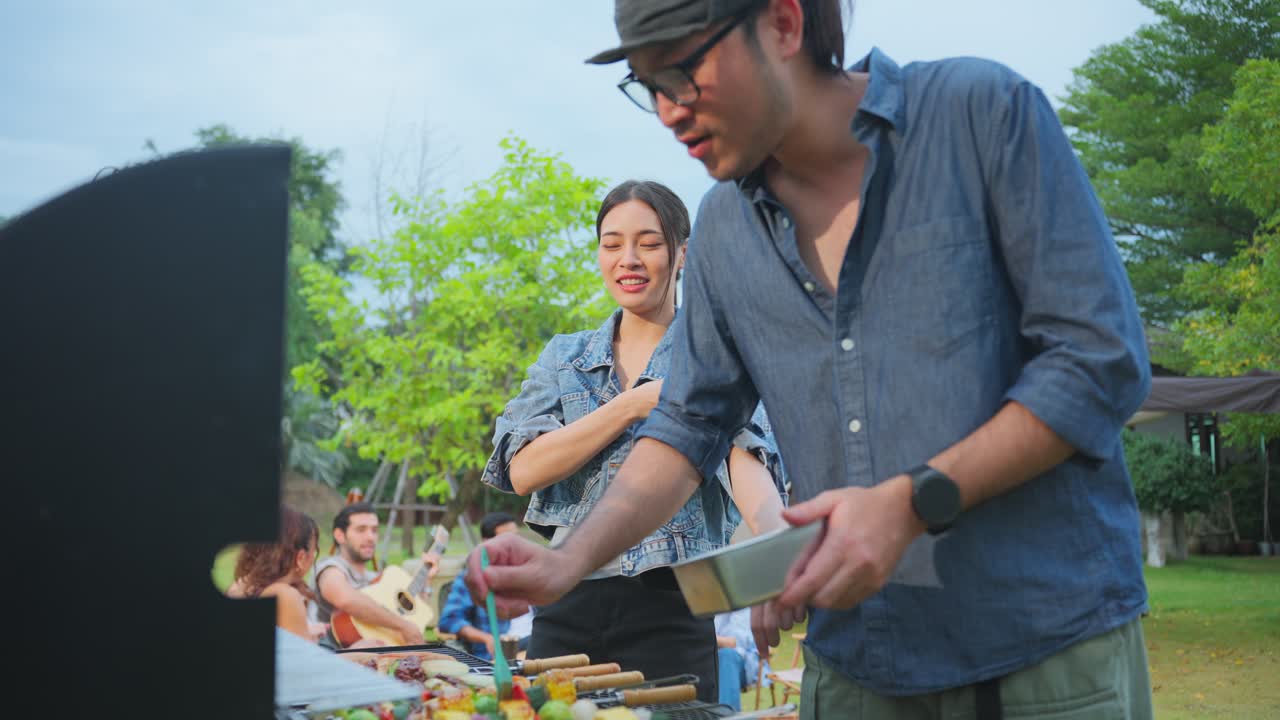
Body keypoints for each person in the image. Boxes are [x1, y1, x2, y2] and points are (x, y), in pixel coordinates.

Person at [469, 1, 1155, 718]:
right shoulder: (725, 227)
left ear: (784, 24)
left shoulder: (980, 114)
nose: (669, 111)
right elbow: (688, 427)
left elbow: (1096, 360)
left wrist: (911, 501)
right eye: (648, 85)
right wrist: (567, 560)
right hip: (857, 665)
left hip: (1045, 652)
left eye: (681, 70)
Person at [480, 179, 787, 703]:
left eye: (648, 243)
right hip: (565, 604)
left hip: (673, 610)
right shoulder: (566, 357)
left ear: (682, 253)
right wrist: (634, 404)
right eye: (612, 242)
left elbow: (747, 464)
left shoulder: (715, 357)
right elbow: (522, 469)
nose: (629, 258)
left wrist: (776, 551)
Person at [313, 502, 425, 647]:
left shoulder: (374, 577)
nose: (370, 537)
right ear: (340, 535)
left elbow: (407, 612)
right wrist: (403, 626)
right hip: (329, 655)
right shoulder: (329, 568)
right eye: (361, 530)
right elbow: (345, 599)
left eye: (374, 530)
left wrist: (426, 578)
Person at [226, 505, 327, 642]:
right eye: (314, 552)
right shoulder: (284, 594)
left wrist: (305, 630)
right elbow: (304, 661)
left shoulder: (242, 583)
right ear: (301, 558)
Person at [438, 512, 523, 660]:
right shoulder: (472, 578)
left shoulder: (528, 572)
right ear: (486, 543)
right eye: (507, 540)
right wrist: (486, 638)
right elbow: (449, 620)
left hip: (539, 646)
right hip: (504, 654)